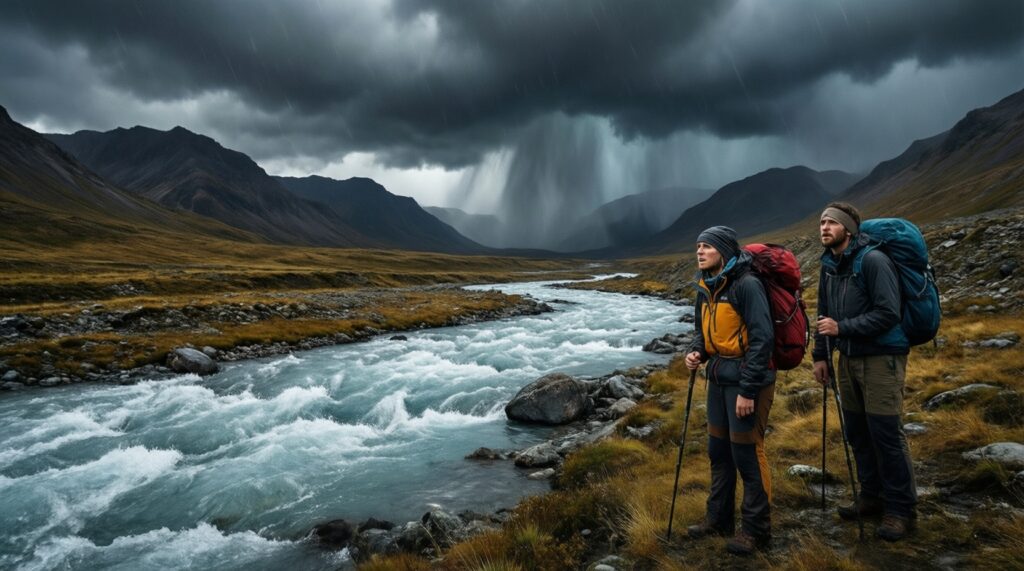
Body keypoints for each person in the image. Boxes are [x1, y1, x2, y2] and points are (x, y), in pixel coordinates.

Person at [812, 202, 917, 541]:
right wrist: (820, 356)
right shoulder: (829, 267)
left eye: (832, 222)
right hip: (848, 358)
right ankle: (871, 496)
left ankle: (901, 510)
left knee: (886, 434)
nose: (825, 228)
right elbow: (823, 316)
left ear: (849, 229)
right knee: (857, 432)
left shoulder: (873, 260)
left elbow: (889, 313)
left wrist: (842, 328)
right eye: (822, 223)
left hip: (881, 357)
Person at [684, 225, 776, 555]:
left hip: (748, 381)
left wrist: (749, 391)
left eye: (706, 246)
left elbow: (763, 339)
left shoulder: (746, 285)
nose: (700, 251)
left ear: (723, 251)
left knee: (747, 455)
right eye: (698, 245)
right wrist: (697, 351)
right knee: (718, 453)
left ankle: (756, 531)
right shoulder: (706, 288)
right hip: (719, 378)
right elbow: (702, 332)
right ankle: (718, 519)